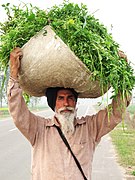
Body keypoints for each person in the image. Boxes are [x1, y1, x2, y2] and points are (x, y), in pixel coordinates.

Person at [7, 47, 131, 180]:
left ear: (75, 102)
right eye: (61, 98)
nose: (66, 103)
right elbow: (18, 111)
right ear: (54, 103)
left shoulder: (90, 128)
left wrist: (124, 74)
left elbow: (117, 111)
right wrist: (14, 73)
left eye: (70, 98)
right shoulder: (38, 129)